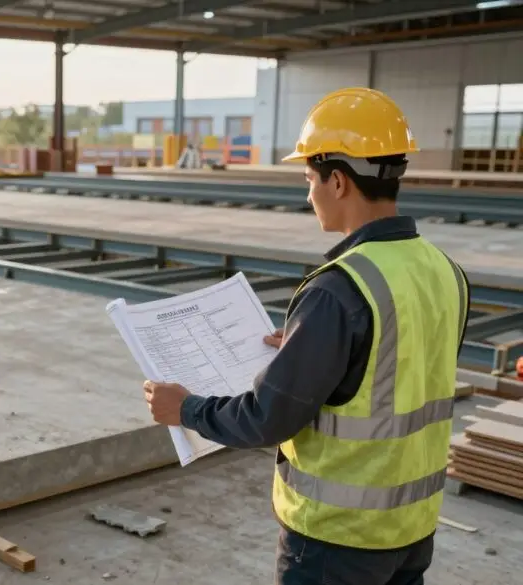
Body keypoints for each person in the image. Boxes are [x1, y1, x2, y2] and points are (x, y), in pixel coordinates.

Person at [143, 87, 471, 585]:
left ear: (337, 181)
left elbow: (266, 418)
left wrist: (185, 409)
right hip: (411, 529)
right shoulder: (446, 271)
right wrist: (313, 349)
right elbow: (397, 362)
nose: (308, 194)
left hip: (336, 541)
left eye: (308, 179)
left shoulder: (339, 290)